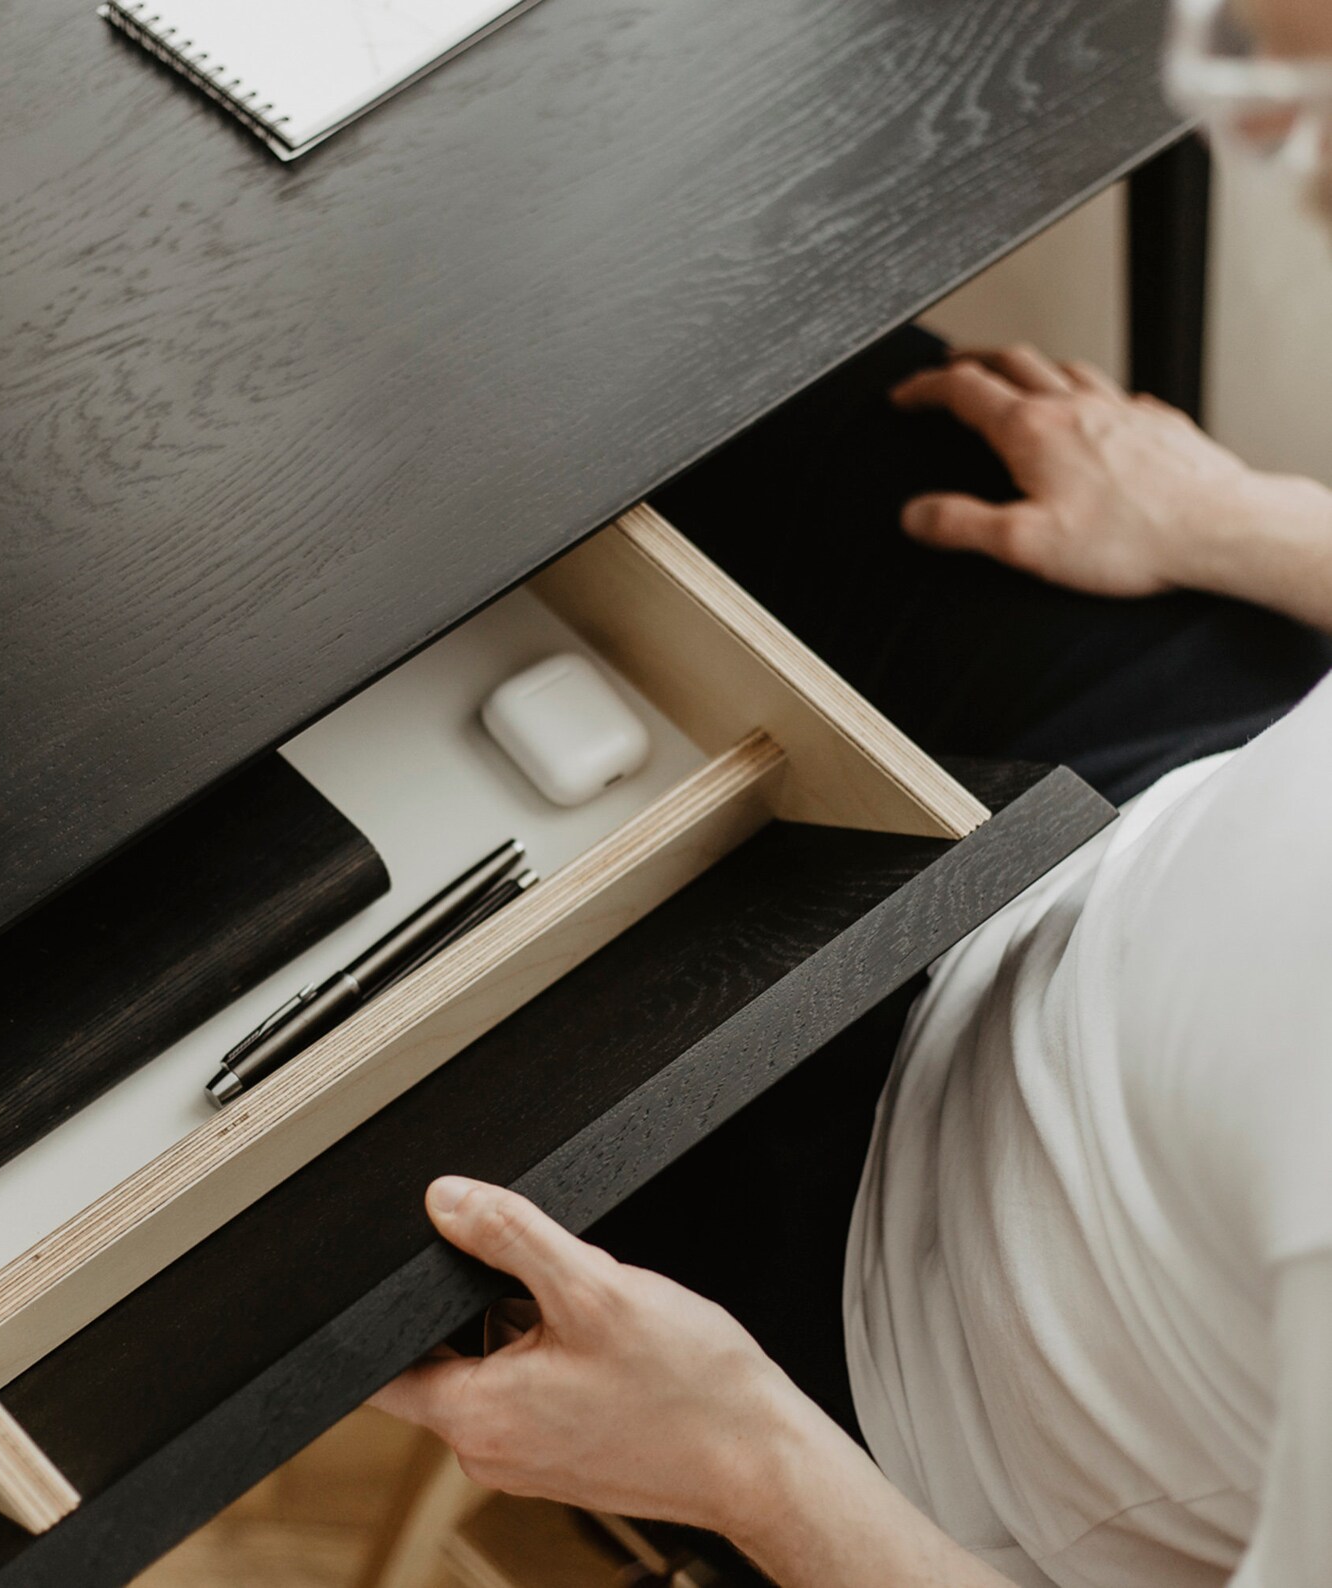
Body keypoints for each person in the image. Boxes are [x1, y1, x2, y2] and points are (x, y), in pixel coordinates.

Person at [371, 2, 1332, 1583]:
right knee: (627, 289)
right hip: (1155, 807)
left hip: (890, 1329)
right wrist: (1237, 523)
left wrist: (748, 1461)